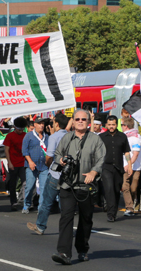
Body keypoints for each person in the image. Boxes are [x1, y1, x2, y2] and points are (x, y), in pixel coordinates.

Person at [51, 109, 106, 265]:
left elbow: (101, 158)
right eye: (77, 119)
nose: (80, 121)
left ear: (88, 122)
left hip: (86, 186)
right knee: (66, 217)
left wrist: (93, 172)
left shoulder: (96, 140)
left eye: (83, 119)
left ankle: (82, 249)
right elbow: (57, 154)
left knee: (86, 219)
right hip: (67, 184)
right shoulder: (66, 138)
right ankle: (64, 252)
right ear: (73, 122)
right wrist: (60, 160)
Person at [28, 114, 68, 235]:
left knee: (46, 201)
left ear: (56, 124)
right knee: (65, 204)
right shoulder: (71, 136)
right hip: (68, 175)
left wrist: (48, 164)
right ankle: (66, 229)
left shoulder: (54, 137)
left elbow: (49, 156)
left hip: (55, 174)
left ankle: (40, 226)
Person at [98, 115, 132, 222]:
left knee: (117, 190)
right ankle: (110, 214)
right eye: (109, 125)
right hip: (106, 167)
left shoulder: (122, 136)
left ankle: (114, 211)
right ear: (106, 125)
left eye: (113, 125)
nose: (111, 127)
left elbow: (126, 152)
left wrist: (130, 165)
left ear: (116, 125)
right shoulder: (101, 137)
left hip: (118, 167)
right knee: (109, 189)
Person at [21, 117, 49, 214]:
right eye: (39, 123)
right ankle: (27, 204)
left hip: (44, 167)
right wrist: (30, 161)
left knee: (44, 187)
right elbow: (24, 151)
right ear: (35, 125)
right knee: (30, 186)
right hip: (31, 165)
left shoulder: (47, 136)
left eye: (43, 123)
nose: (42, 125)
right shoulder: (28, 136)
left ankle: (41, 208)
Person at [3, 117, 28, 211]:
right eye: (19, 129)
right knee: (12, 184)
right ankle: (13, 202)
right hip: (13, 163)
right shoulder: (9, 136)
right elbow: (6, 150)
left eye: (22, 129)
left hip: (23, 163)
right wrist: (9, 163)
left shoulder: (26, 135)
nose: (21, 131)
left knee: (25, 183)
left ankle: (24, 201)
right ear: (14, 127)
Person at [121, 116, 141, 217]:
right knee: (125, 187)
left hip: (135, 167)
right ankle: (129, 207)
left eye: (121, 125)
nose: (121, 127)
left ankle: (132, 203)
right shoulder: (122, 137)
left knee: (133, 189)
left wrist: (130, 165)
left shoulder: (135, 138)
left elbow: (135, 154)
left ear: (125, 126)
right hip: (124, 167)